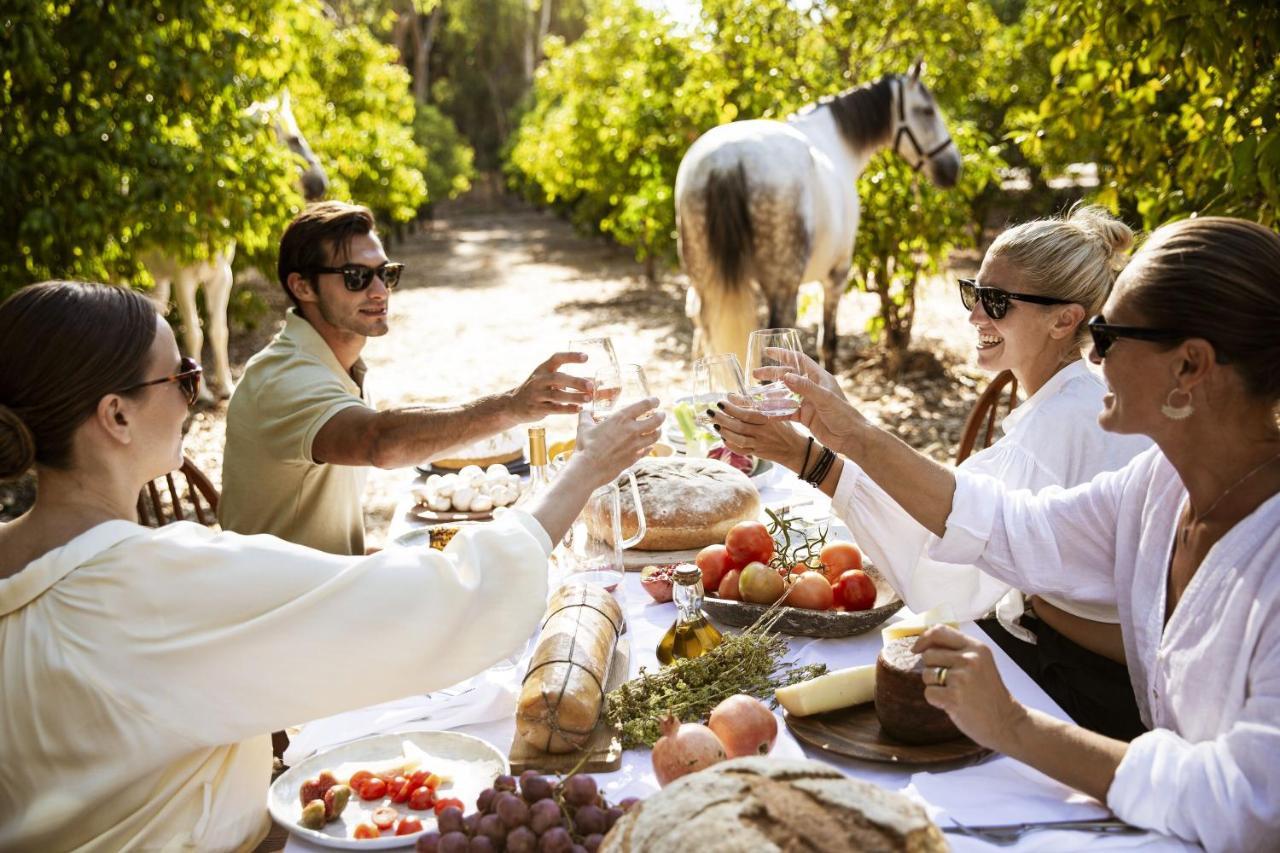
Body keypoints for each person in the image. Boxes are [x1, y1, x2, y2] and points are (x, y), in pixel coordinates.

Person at [0, 281, 663, 851]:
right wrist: (586, 470)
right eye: (182, 378)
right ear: (115, 415)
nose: (193, 400)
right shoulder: (152, 580)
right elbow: (440, 597)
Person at [769, 217, 1280, 851]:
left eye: (1110, 335)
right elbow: (1008, 525)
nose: (1093, 357)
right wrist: (847, 437)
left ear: (1190, 366)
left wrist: (1013, 725)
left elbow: (1250, 806)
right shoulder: (1160, 486)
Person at [711, 206, 1152, 738]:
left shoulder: (1058, 429)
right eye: (974, 293)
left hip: (1087, 695)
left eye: (995, 302)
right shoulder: (1070, 403)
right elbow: (958, 511)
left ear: (1064, 319)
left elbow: (947, 572)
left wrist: (821, 454)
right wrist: (823, 448)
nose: (974, 317)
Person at [219, 200, 594, 555]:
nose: (380, 291)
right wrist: (513, 406)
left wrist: (363, 556)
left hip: (320, 579)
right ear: (302, 287)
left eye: (386, 274)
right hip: (284, 606)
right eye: (356, 277)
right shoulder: (283, 377)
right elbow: (380, 442)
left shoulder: (335, 365)